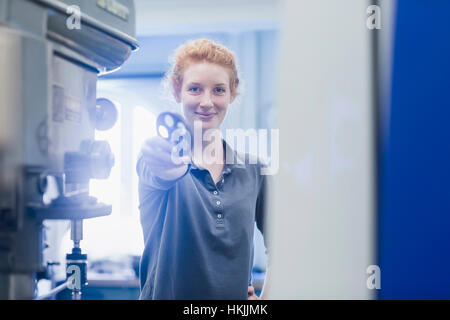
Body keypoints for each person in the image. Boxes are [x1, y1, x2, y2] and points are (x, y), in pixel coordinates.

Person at [136, 39, 269, 300]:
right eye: (195, 89)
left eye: (219, 90)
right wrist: (167, 163)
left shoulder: (254, 170)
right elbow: (161, 172)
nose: (207, 102)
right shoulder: (156, 158)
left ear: (232, 92)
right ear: (177, 91)